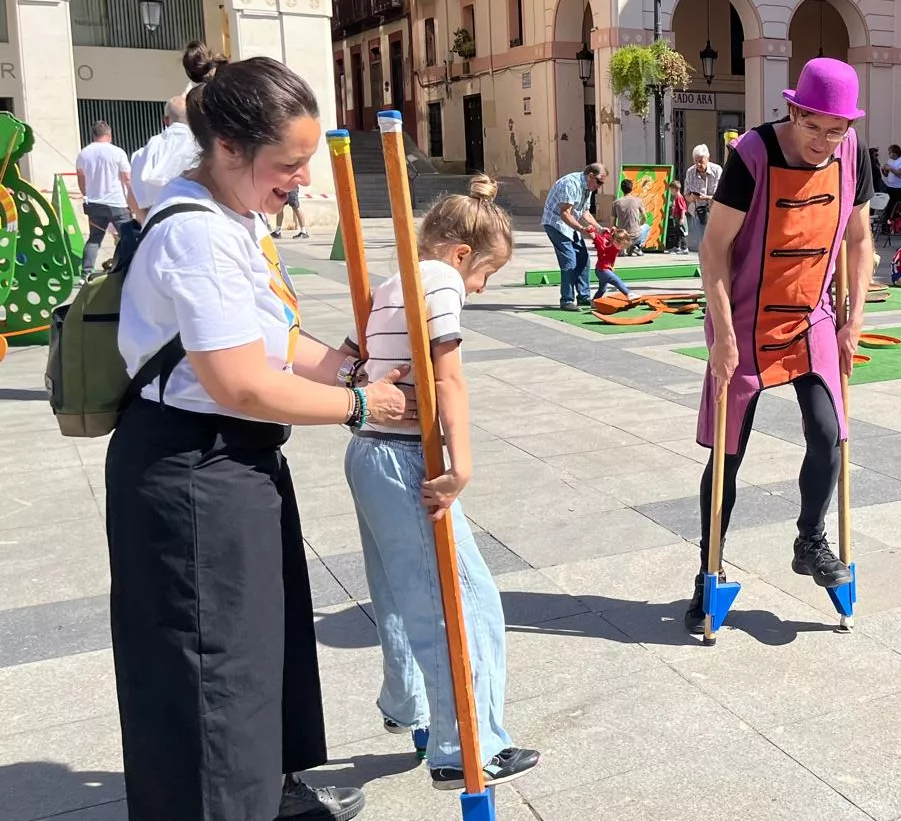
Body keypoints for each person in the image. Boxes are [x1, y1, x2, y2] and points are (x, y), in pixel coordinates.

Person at [107, 41, 413, 821]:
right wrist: (360, 408)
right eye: (289, 164)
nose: (301, 180)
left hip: (231, 460)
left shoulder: (232, 216)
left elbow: (270, 339)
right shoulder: (197, 233)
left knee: (254, 648)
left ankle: (267, 793)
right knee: (212, 667)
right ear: (229, 148)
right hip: (189, 469)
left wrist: (349, 369)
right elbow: (239, 381)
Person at [343, 173, 541, 791]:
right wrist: (463, 464)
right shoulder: (440, 281)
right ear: (460, 255)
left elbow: (353, 357)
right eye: (486, 274)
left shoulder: (393, 281)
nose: (480, 287)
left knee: (398, 588)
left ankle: (408, 703)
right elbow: (448, 377)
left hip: (367, 451)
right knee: (462, 599)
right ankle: (467, 747)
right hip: (407, 457)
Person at [688, 57, 874, 630]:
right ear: (793, 112)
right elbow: (713, 249)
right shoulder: (751, 154)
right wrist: (722, 335)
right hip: (745, 316)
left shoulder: (853, 155)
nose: (822, 141)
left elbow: (860, 240)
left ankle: (810, 542)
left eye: (834, 130)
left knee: (828, 433)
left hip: (813, 316)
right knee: (729, 454)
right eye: (812, 126)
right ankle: (708, 567)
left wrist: (853, 321)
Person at [542, 162, 605, 310]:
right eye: (599, 182)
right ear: (590, 176)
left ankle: (583, 296)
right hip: (556, 223)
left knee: (584, 259)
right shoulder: (570, 184)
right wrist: (581, 229)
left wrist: (600, 229)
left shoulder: (587, 188)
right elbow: (564, 213)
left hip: (570, 225)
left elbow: (585, 213)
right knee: (569, 260)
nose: (599, 186)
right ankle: (566, 300)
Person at [75, 120, 135, 278]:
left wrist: (86, 194)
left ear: (93, 135)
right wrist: (132, 199)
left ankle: (86, 273)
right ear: (110, 134)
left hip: (95, 203)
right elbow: (127, 178)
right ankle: (129, 270)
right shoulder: (118, 152)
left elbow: (81, 177)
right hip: (117, 203)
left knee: (94, 239)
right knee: (128, 238)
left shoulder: (84, 153)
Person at [130, 93, 200, 217]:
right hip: (196, 216)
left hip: (156, 218)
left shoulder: (144, 152)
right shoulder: (202, 146)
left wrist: (146, 221)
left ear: (166, 120)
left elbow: (132, 196)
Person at [683, 143, 722, 252]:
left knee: (715, 245)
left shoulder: (717, 170)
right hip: (698, 213)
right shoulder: (690, 172)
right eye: (696, 161)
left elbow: (722, 194)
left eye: (701, 161)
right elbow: (686, 194)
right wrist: (692, 198)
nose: (698, 164)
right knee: (702, 246)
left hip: (715, 213)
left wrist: (707, 198)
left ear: (708, 158)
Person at [593, 227, 635, 300]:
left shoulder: (615, 244)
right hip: (602, 270)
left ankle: (594, 301)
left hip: (603, 269)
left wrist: (611, 231)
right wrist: (591, 232)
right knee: (616, 280)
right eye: (621, 245)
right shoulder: (607, 245)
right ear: (615, 241)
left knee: (602, 289)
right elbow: (598, 239)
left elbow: (611, 236)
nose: (621, 248)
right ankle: (628, 293)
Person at [612, 177, 645, 254]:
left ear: (622, 189)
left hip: (622, 236)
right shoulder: (638, 200)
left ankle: (624, 247)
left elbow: (612, 223)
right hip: (635, 235)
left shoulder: (616, 203)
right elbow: (644, 217)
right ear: (631, 188)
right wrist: (640, 224)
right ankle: (636, 246)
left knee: (619, 230)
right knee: (646, 227)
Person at [881, 144, 901, 226]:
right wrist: (883, 170)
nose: (888, 154)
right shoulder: (890, 161)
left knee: (896, 206)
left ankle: (896, 224)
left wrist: (891, 168)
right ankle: (886, 224)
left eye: (890, 152)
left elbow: (900, 174)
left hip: (898, 188)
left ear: (895, 153)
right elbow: (886, 175)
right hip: (889, 186)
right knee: (888, 206)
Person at [667, 180, 689, 254]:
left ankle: (685, 248)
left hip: (680, 218)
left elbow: (682, 209)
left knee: (681, 233)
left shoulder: (679, 198)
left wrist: (682, 218)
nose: (670, 191)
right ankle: (677, 247)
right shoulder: (676, 198)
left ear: (675, 189)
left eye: (671, 189)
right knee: (677, 233)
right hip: (677, 218)